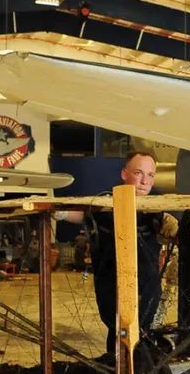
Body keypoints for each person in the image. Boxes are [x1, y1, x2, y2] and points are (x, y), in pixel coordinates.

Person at [58, 150, 175, 357]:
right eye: (138, 173)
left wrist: (179, 230)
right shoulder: (105, 205)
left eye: (150, 175)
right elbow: (83, 216)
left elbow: (175, 232)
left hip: (147, 287)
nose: (144, 181)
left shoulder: (157, 211)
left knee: (143, 336)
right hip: (112, 286)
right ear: (124, 174)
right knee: (118, 334)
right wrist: (62, 212)